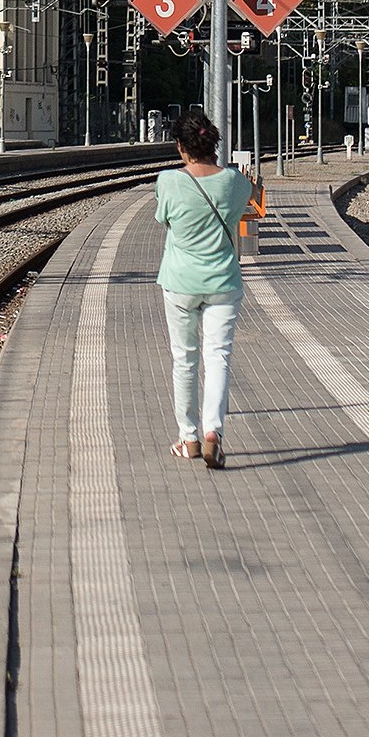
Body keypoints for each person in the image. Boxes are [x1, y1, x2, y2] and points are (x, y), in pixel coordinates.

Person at [151, 104, 252, 468]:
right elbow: (241, 209)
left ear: (181, 146)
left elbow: (164, 219)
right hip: (223, 281)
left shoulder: (168, 181)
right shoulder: (237, 182)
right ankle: (214, 432)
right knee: (218, 356)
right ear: (214, 145)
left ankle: (188, 438)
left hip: (180, 283)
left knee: (185, 360)